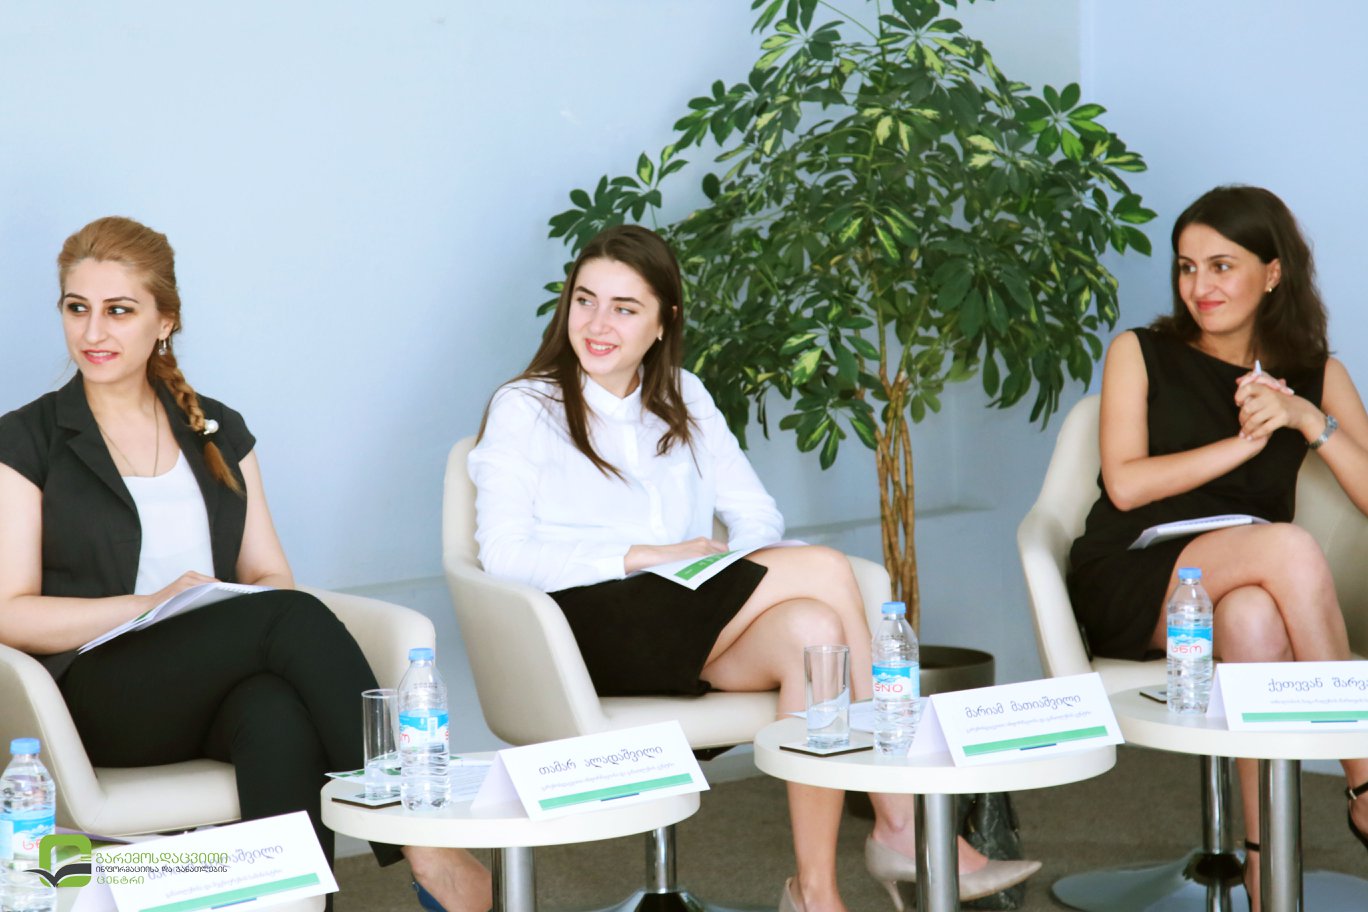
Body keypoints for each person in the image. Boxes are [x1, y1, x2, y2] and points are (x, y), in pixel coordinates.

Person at [468, 224, 1039, 912]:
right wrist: (650, 556)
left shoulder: (684, 396)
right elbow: (504, 555)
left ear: (662, 321)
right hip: (582, 629)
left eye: (624, 308)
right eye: (585, 301)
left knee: (813, 630)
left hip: (682, 619)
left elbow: (757, 517)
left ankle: (814, 891)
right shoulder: (526, 405)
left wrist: (721, 566)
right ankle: (903, 818)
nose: (597, 324)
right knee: (824, 570)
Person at [0, 217, 490, 912]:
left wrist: (212, 609)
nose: (93, 332)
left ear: (165, 321)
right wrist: (150, 605)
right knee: (289, 619)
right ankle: (424, 841)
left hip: (206, 688)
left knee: (275, 711)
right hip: (94, 698)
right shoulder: (27, 439)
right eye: (77, 308)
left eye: (119, 310)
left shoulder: (217, 428)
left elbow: (268, 578)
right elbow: (10, 614)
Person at [1067, 185, 1368, 911]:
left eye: (1222, 266)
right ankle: (1365, 781)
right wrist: (1246, 443)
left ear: (1273, 273)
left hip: (1241, 579)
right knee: (1287, 550)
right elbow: (1126, 485)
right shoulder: (1140, 352)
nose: (1200, 286)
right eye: (1186, 266)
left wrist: (1307, 419)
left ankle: (1265, 866)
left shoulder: (1316, 374)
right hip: (1139, 572)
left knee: (1253, 620)